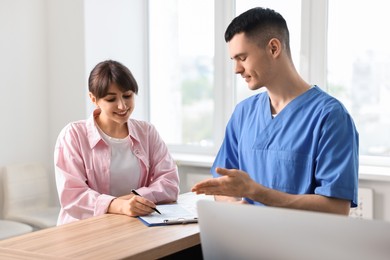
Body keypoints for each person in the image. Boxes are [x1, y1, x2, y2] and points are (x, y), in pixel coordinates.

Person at [191, 7, 359, 215]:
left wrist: (256, 192)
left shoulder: (330, 117)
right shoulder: (243, 113)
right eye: (233, 60)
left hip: (300, 245)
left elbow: (336, 209)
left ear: (273, 48)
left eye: (242, 58)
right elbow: (223, 185)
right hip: (247, 240)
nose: (236, 69)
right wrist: (235, 207)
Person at [54, 60, 180, 225]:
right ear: (93, 98)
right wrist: (119, 205)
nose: (122, 105)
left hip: (130, 226)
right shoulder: (73, 135)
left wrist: (135, 199)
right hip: (83, 230)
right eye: (111, 99)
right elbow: (73, 196)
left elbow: (169, 183)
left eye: (127, 96)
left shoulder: (147, 132)